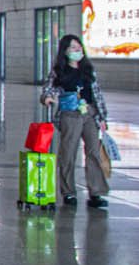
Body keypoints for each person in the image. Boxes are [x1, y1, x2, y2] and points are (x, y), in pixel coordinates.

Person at [40, 34, 111, 209]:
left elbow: (97, 95)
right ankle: (68, 192)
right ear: (65, 51)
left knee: (94, 152)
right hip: (70, 115)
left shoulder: (88, 70)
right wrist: (48, 98)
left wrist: (102, 117)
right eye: (72, 47)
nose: (77, 50)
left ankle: (96, 192)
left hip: (89, 114)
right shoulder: (59, 72)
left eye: (78, 46)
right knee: (68, 153)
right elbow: (49, 89)